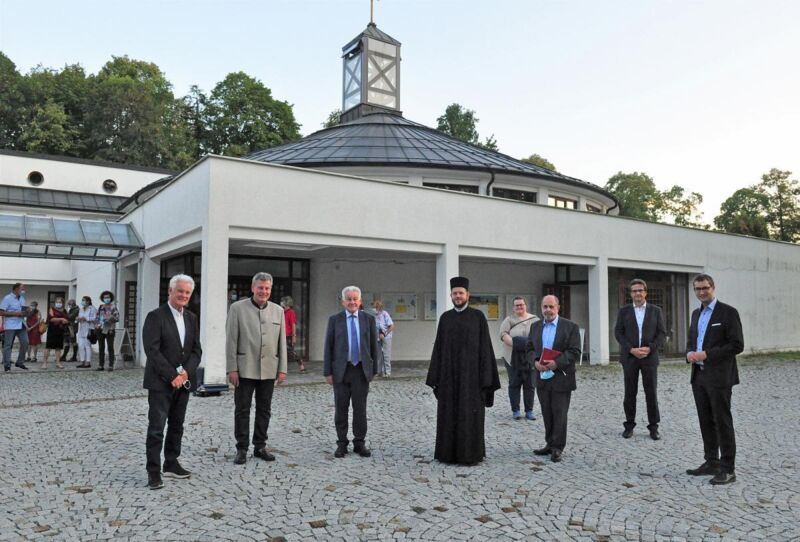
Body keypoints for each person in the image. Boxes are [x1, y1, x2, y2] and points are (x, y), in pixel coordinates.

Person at [426, 277, 501, 465]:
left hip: (472, 380)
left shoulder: (478, 317)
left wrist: (487, 380)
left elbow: (485, 348)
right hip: (449, 379)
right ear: (451, 296)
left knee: (471, 416)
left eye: (461, 293)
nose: (458, 296)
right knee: (448, 415)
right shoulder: (445, 318)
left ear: (468, 295)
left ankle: (471, 455)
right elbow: (439, 349)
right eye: (455, 293)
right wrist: (436, 377)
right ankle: (447, 454)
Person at [142, 274, 202, 490]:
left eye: (187, 292)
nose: (184, 295)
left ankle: (171, 462)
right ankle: (153, 471)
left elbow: (196, 349)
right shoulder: (155, 316)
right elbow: (152, 350)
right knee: (157, 428)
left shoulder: (192, 318)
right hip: (160, 383)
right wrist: (172, 375)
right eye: (180, 291)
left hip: (183, 382)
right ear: (170, 291)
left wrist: (186, 373)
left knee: (177, 425)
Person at [685, 273, 744, 485]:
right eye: (697, 289)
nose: (701, 292)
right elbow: (693, 340)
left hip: (720, 377)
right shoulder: (695, 314)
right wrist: (689, 353)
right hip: (699, 376)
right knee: (705, 421)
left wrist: (707, 354)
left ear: (713, 287)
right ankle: (711, 462)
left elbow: (737, 345)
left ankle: (728, 469)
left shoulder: (728, 313)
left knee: (722, 422)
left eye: (705, 288)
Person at [227, 272, 288, 465]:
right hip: (245, 368)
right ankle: (242, 448)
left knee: (264, 409)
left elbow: (281, 342)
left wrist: (283, 368)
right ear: (253, 288)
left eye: (267, 288)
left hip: (269, 368)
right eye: (260, 287)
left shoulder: (278, 310)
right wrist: (232, 368)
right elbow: (231, 340)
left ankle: (260, 445)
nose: (263, 291)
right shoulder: (237, 308)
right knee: (242, 409)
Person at [323, 285, 379, 458]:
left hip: (361, 371)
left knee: (360, 409)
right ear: (343, 301)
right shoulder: (335, 320)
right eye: (349, 299)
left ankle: (359, 443)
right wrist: (328, 372)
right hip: (341, 370)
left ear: (360, 301)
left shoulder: (368, 319)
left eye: (355, 299)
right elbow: (328, 346)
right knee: (341, 408)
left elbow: (373, 346)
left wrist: (374, 370)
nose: (352, 302)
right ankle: (341, 443)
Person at [527, 295, 581, 463]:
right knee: (547, 412)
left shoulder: (570, 327)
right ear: (541, 308)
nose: (548, 310)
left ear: (558, 307)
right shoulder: (535, 326)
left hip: (561, 376)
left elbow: (575, 351)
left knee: (559, 412)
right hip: (541, 376)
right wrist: (535, 362)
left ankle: (558, 447)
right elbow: (529, 349)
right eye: (545, 307)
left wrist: (556, 363)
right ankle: (549, 443)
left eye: (551, 307)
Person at [614, 279, 667, 440]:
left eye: (640, 290)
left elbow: (661, 334)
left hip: (649, 357)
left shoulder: (655, 311)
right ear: (630, 294)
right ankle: (629, 425)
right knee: (630, 393)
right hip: (630, 357)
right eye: (634, 291)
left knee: (651, 392)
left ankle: (653, 427)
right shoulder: (624, 311)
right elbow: (618, 333)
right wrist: (631, 349)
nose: (637, 293)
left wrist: (650, 347)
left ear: (645, 292)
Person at [499, 297, 538, 420]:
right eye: (516, 305)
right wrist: (515, 344)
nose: (519, 307)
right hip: (512, 356)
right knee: (514, 384)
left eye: (521, 305)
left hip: (530, 356)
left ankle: (529, 411)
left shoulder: (535, 319)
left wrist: (528, 346)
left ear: (526, 305)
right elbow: (503, 334)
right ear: (513, 307)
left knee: (530, 384)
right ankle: (515, 410)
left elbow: (539, 335)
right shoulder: (509, 320)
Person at [0, 282, 30, 371]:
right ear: (16, 289)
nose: (23, 290)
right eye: (22, 289)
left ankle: (19, 362)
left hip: (21, 324)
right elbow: (1, 312)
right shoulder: (7, 298)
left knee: (25, 343)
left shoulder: (22, 299)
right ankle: (7, 365)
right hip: (10, 325)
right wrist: (15, 313)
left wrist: (27, 311)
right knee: (8, 345)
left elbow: (23, 312)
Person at [95, 290, 120, 371]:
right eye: (105, 297)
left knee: (110, 347)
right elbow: (97, 318)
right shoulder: (101, 307)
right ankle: (101, 365)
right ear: (102, 298)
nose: (107, 298)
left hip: (109, 329)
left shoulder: (113, 307)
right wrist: (97, 324)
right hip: (100, 329)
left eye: (108, 297)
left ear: (111, 298)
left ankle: (110, 365)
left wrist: (110, 318)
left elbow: (117, 318)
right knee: (101, 347)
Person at [41, 297, 69, 369]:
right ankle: (44, 363)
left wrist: (65, 321)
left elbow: (67, 319)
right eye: (57, 302)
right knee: (48, 347)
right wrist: (61, 319)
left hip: (60, 330)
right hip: (52, 330)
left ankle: (58, 362)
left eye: (60, 302)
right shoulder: (51, 309)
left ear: (62, 303)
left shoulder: (64, 311)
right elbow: (51, 319)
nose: (58, 303)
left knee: (58, 348)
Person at [281, 296, 305, 373]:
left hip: (288, 335)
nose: (281, 303)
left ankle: (300, 363)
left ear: (286, 303)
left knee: (290, 351)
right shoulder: (282, 312)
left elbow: (293, 324)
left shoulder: (291, 312)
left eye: (283, 301)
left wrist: (294, 336)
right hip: (282, 335)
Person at [372, 300, 394, 377]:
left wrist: (384, 334)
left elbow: (391, 326)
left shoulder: (385, 314)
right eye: (374, 307)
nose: (375, 309)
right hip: (377, 337)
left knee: (386, 354)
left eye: (377, 307)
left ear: (380, 307)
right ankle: (379, 371)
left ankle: (387, 372)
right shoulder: (374, 315)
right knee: (378, 355)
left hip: (386, 337)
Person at [76, 296, 97, 368]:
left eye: (84, 300)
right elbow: (78, 318)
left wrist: (86, 318)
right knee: (80, 345)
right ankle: (82, 361)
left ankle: (88, 362)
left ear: (88, 301)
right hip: (81, 329)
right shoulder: (81, 309)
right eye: (82, 300)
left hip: (89, 329)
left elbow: (95, 318)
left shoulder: (92, 308)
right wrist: (78, 319)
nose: (83, 302)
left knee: (87, 346)